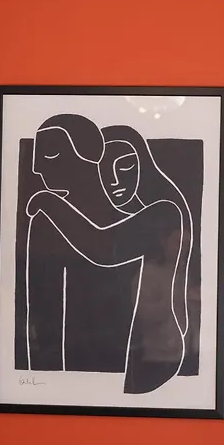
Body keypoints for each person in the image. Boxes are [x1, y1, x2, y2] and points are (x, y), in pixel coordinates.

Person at [27, 123, 192, 394]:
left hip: (156, 352)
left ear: (143, 165)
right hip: (123, 349)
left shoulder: (164, 211)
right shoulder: (115, 217)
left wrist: (48, 201)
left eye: (125, 165)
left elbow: (103, 248)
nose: (114, 179)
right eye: (102, 167)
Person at [26, 114, 140, 374]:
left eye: (50, 154)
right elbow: (43, 315)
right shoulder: (47, 222)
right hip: (69, 373)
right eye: (36, 156)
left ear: (88, 153)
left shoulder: (138, 223)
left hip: (136, 363)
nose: (37, 168)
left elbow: (101, 249)